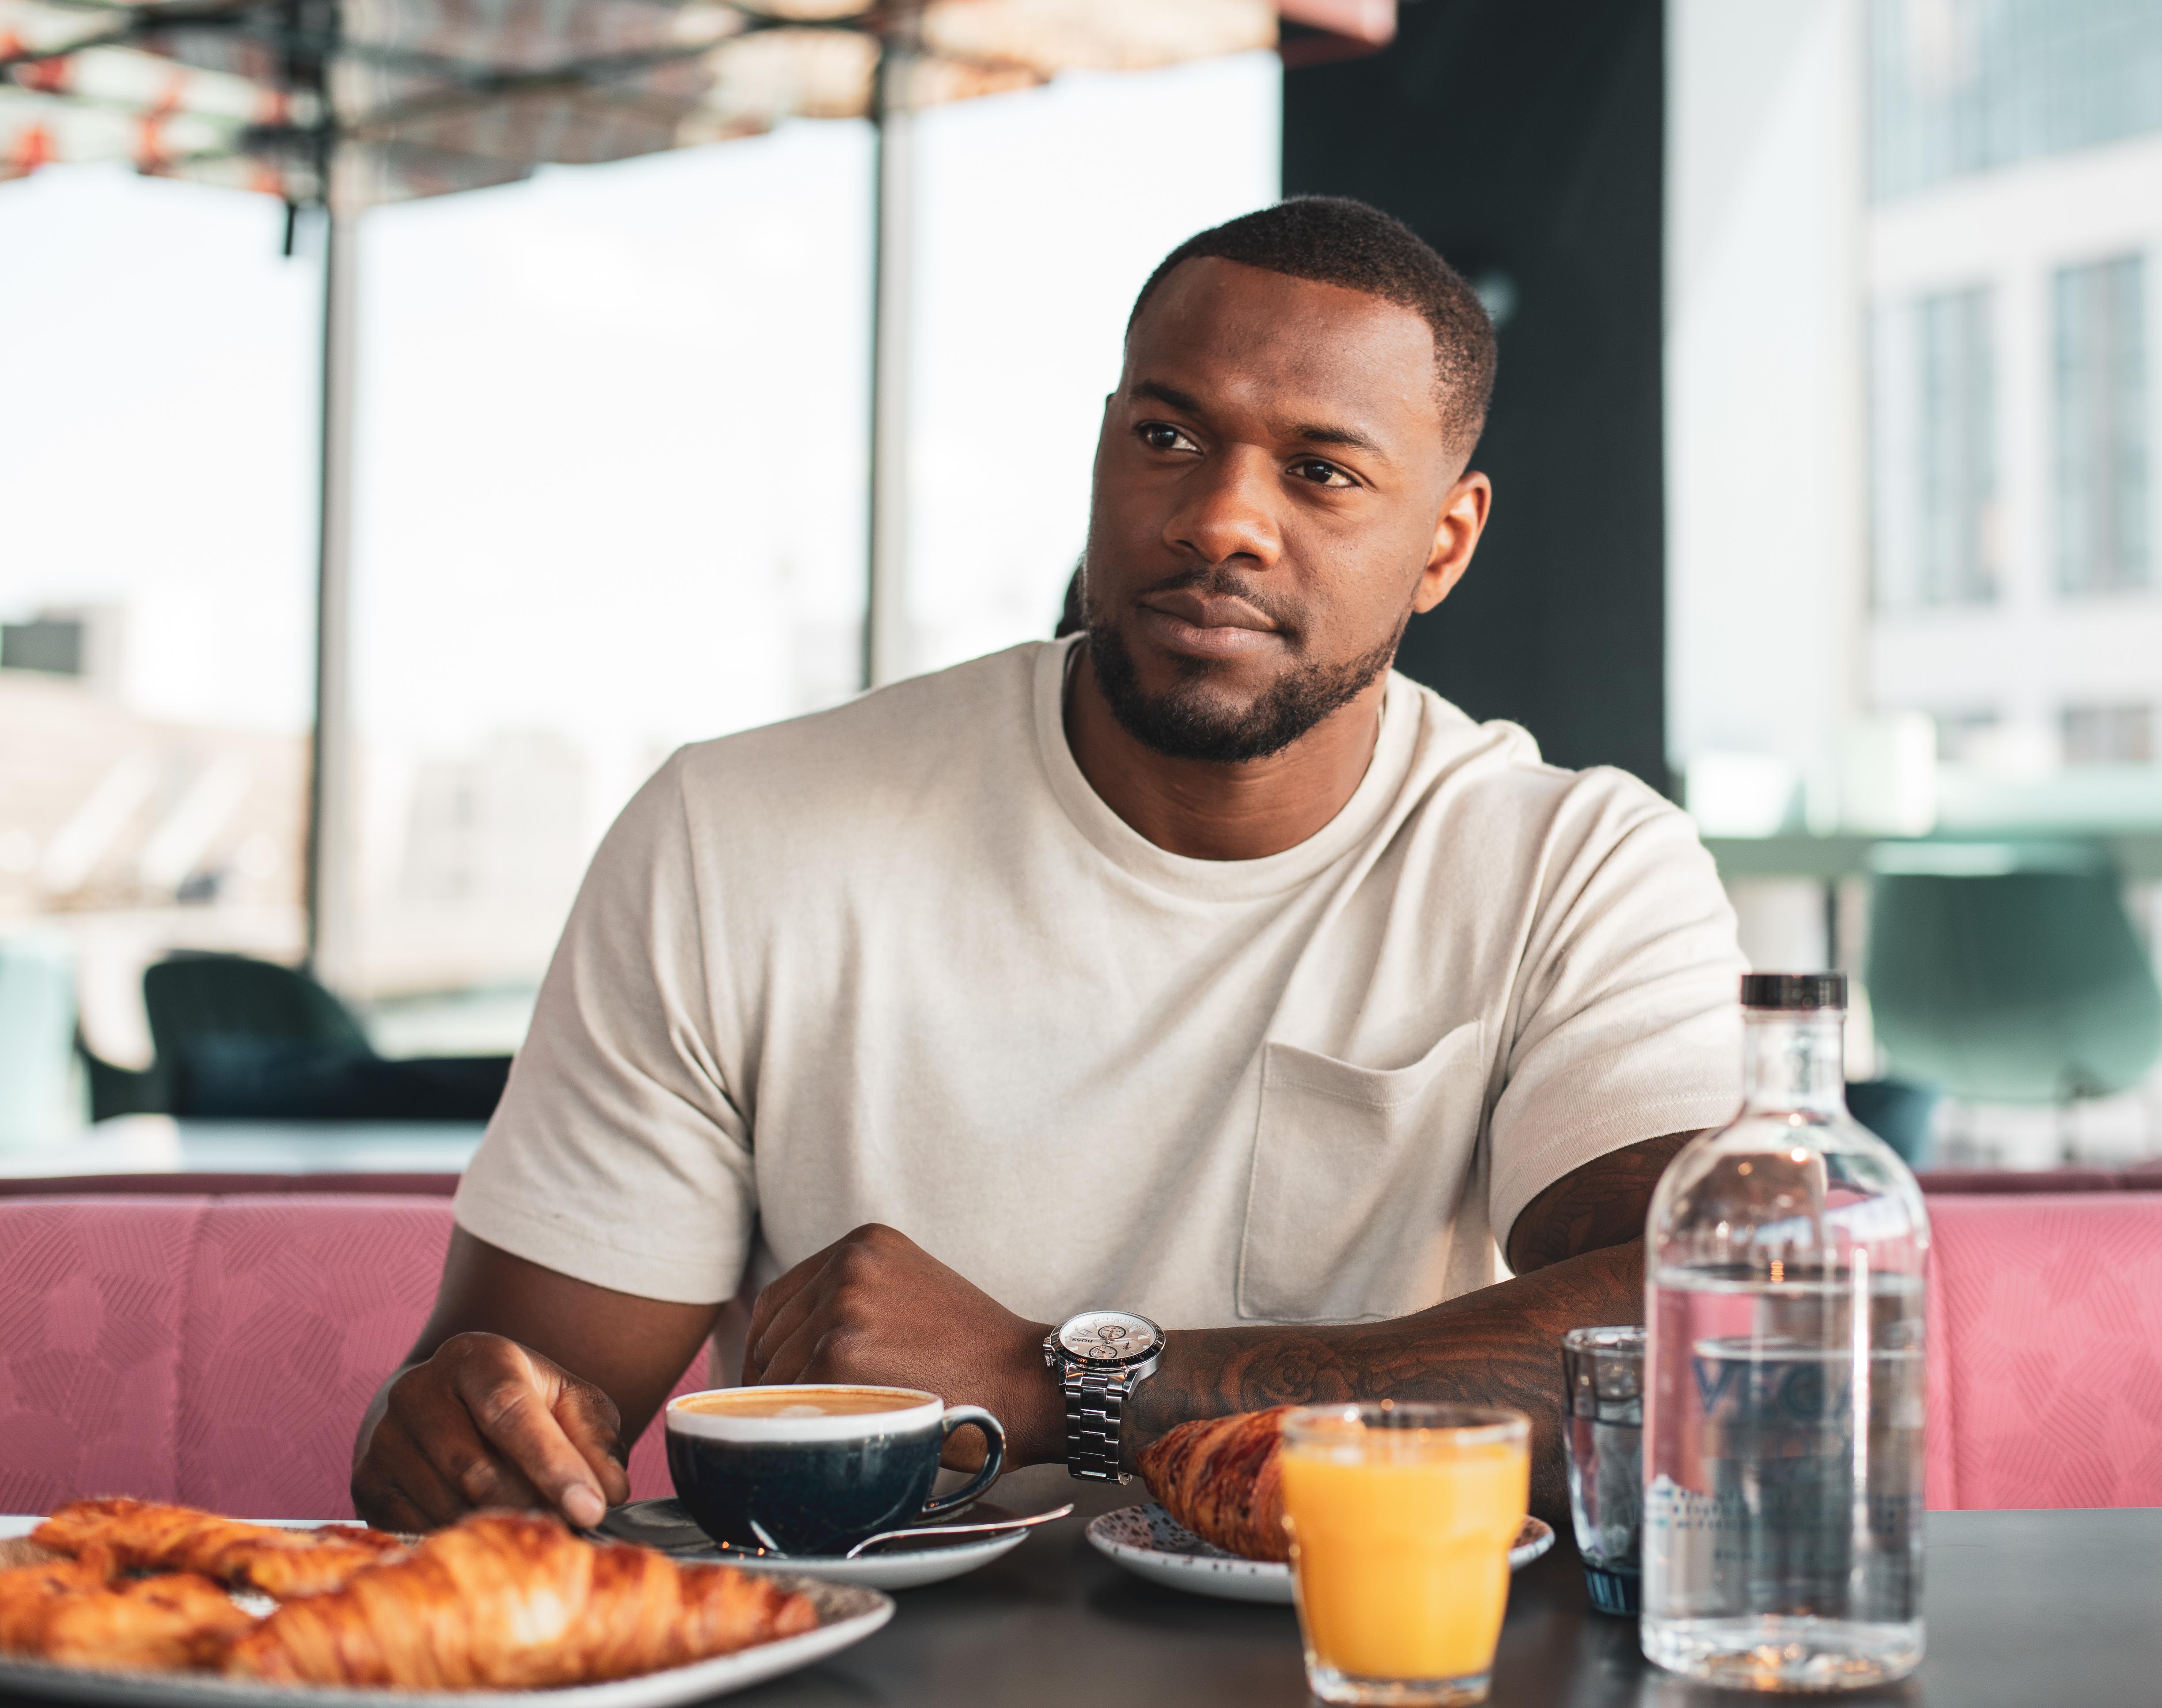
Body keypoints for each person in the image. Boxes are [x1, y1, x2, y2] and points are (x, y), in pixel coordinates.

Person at [350, 196, 1745, 1530]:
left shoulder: (1573, 864)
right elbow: (502, 1411)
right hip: (857, 1662)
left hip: (1346, 1652)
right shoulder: (735, 833)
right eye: (1167, 435)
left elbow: (1717, 1339)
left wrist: (1058, 1379)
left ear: (1443, 543)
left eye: (1320, 471)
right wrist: (463, 1438)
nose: (1220, 520)